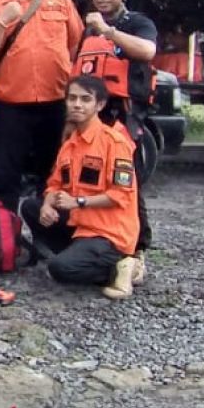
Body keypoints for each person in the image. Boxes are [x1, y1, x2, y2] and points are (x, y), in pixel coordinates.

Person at [0, 0, 82, 211]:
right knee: (6, 176)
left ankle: (49, 238)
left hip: (55, 102)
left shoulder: (59, 0)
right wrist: (2, 22)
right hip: (11, 106)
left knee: (54, 173)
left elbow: (74, 44)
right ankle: (6, 242)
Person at [19, 76, 141, 300]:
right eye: (72, 98)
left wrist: (78, 202)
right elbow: (54, 184)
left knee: (60, 270)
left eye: (86, 99)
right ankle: (75, 253)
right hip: (81, 225)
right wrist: (47, 204)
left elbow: (120, 194)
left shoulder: (114, 143)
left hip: (109, 233)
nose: (77, 104)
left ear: (100, 105)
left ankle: (124, 265)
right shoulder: (70, 144)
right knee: (31, 207)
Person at [73, 0, 158, 275]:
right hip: (92, 116)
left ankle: (137, 250)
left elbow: (147, 51)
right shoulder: (87, 31)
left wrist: (108, 31)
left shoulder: (137, 23)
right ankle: (96, 238)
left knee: (125, 180)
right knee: (90, 179)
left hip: (124, 114)